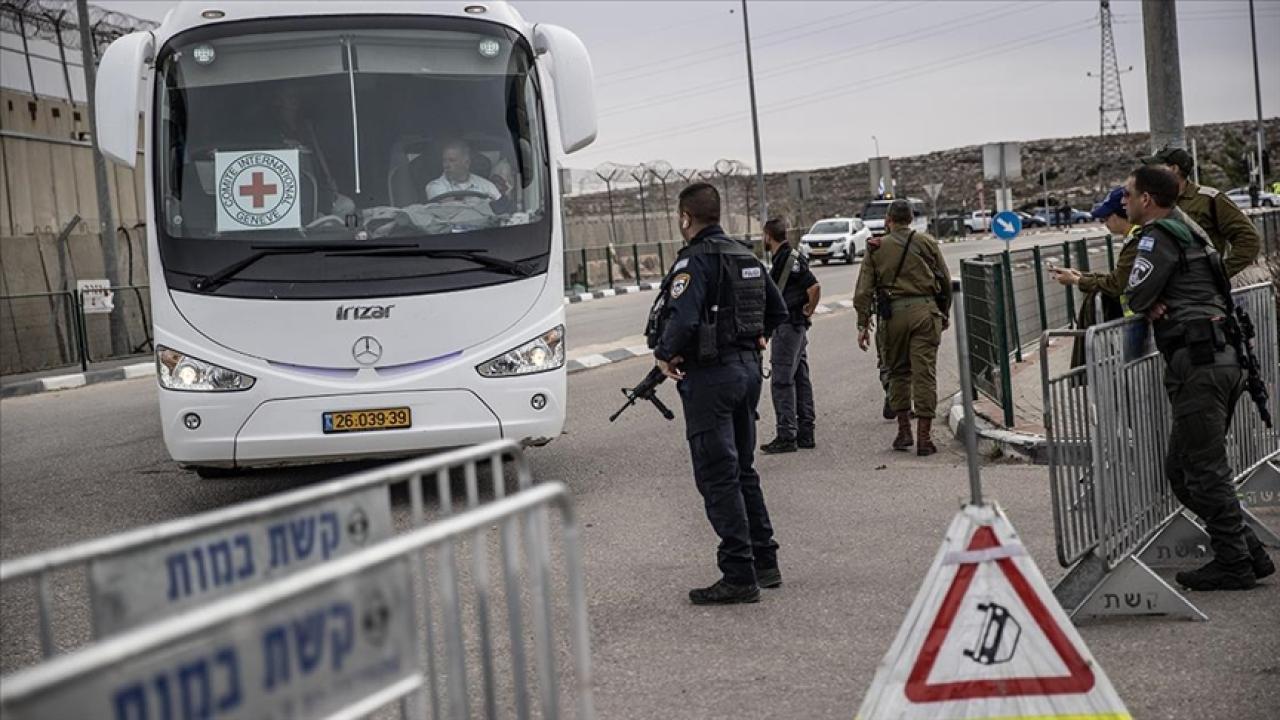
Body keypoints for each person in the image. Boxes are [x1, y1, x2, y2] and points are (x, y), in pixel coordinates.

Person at [1122, 165, 1275, 591]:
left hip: (1201, 361)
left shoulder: (1159, 236)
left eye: (1128, 194)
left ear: (1147, 199)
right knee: (1185, 468)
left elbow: (1134, 293)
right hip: (1217, 357)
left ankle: (1235, 563)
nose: (1124, 201)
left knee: (1203, 470)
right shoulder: (1192, 231)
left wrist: (1150, 300)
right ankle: (1247, 552)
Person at [647, 182, 788, 605]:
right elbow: (777, 311)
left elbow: (684, 318)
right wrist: (753, 337)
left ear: (686, 217)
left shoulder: (694, 260)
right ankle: (765, 562)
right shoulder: (745, 254)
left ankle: (738, 574)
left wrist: (663, 355)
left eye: (679, 216)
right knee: (743, 469)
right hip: (747, 372)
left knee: (717, 475)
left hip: (711, 377)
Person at [853, 199, 952, 455]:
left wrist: (863, 324)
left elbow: (864, 290)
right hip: (925, 311)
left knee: (897, 372)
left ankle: (904, 430)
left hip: (892, 316)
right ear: (911, 218)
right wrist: (944, 311)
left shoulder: (876, 247)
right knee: (924, 374)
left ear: (888, 219)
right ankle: (925, 438)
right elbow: (945, 279)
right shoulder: (926, 242)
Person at [1141, 146, 1261, 278]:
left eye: (1155, 168)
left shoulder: (1208, 200)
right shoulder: (1152, 202)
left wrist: (1220, 273)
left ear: (1173, 169)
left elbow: (1249, 239)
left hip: (1198, 291)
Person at [760, 219, 820, 454]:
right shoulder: (785, 258)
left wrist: (809, 309)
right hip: (794, 326)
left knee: (782, 381)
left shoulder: (788, 259)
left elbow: (814, 287)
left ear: (768, 236)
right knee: (800, 378)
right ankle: (806, 432)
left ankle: (786, 435)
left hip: (789, 327)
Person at [1050, 185, 1137, 316]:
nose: (1104, 222)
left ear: (1121, 213)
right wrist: (1081, 275)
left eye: (1106, 217)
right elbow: (1118, 278)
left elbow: (1116, 284)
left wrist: (1076, 280)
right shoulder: (1133, 237)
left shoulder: (1137, 239)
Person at [426, 140, 502, 202]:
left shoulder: (487, 186)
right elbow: (451, 209)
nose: (446, 165)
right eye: (444, 160)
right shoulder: (435, 186)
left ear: (467, 163)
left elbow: (500, 208)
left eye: (452, 160)